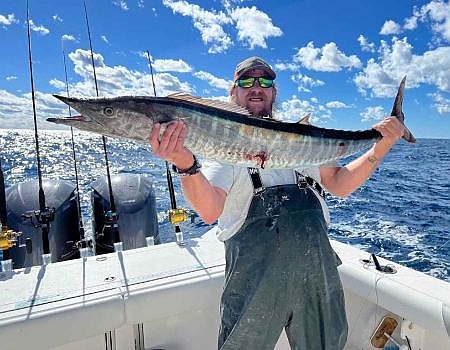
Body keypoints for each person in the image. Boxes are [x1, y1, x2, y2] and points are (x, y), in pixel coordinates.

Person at [149, 56, 405, 350]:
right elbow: (209, 210)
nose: (256, 87)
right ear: (233, 92)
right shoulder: (223, 147)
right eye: (246, 81)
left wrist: (381, 144)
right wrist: (185, 164)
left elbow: (339, 183)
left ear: (274, 91)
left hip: (317, 278)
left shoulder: (301, 140)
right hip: (253, 283)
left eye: (265, 81)